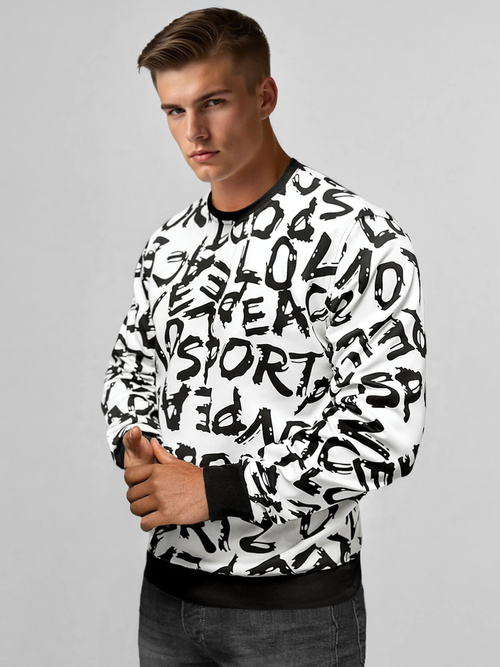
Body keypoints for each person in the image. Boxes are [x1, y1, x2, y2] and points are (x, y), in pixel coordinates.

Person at [101, 7, 426, 666]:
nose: (193, 132)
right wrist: (130, 440)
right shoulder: (169, 244)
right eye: (173, 111)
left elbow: (386, 430)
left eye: (213, 103)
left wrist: (217, 491)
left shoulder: (354, 236)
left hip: (294, 613)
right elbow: (128, 369)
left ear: (265, 96)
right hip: (167, 597)